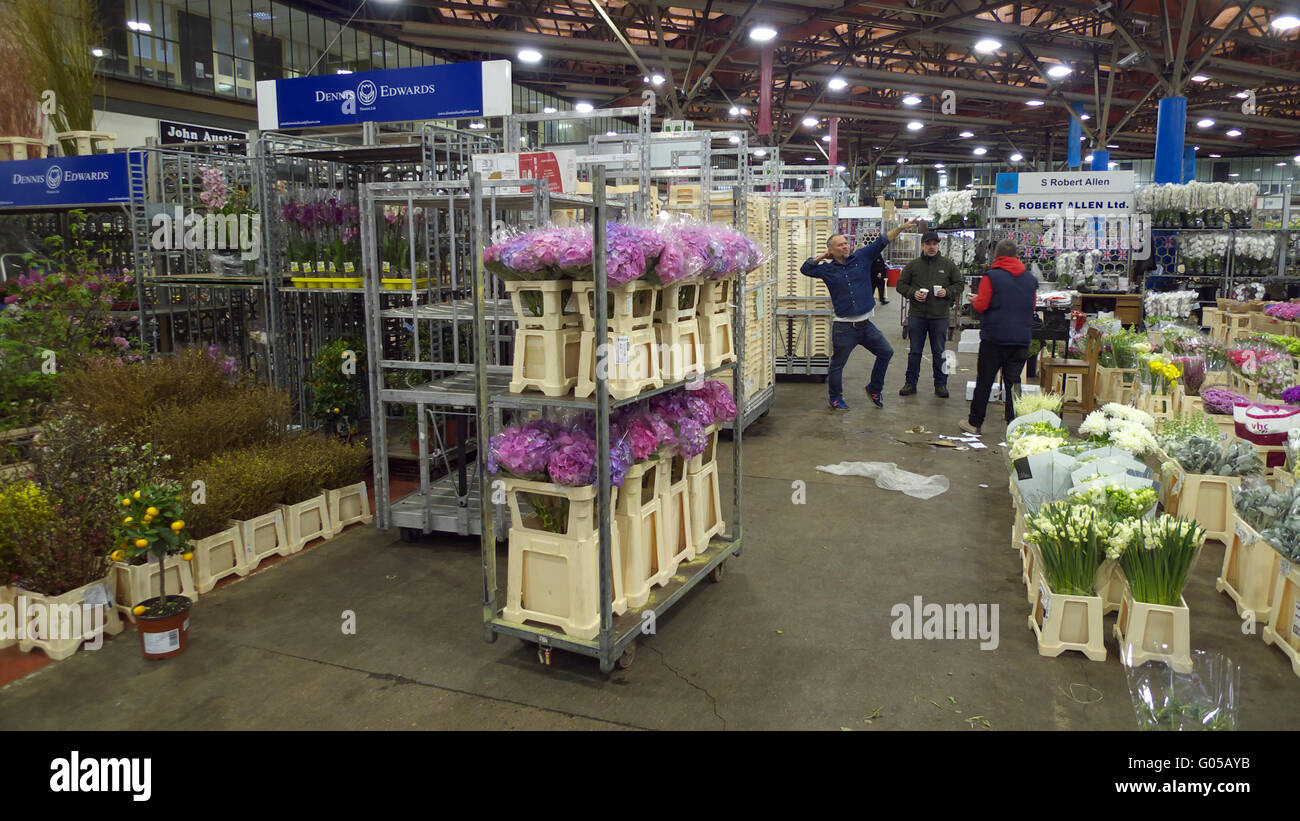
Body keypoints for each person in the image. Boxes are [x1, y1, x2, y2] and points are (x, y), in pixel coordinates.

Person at [802, 220, 919, 410]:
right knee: (837, 364)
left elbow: (882, 241)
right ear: (832, 250)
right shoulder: (827, 269)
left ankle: (874, 387)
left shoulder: (862, 257)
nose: (845, 246)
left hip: (866, 326)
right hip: (844, 328)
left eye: (845, 243)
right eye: (840, 245)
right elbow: (805, 268)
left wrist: (900, 228)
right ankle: (835, 398)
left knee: (886, 352)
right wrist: (823, 255)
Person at [960, 238, 1039, 436]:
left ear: (996, 255)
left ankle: (974, 423)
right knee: (1014, 384)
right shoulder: (1030, 279)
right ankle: (1014, 426)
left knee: (985, 382)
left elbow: (981, 305)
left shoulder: (991, 277)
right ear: (1016, 256)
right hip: (1021, 339)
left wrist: (975, 300)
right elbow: (1033, 306)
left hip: (994, 339)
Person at [896, 230, 963, 398]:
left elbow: (960, 284)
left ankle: (941, 385)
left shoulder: (948, 265)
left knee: (940, 351)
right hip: (917, 316)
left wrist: (947, 292)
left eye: (935, 244)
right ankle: (910, 383)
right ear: (923, 245)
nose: (932, 247)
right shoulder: (913, 265)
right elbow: (900, 285)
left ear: (938, 245)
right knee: (915, 351)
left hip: (939, 316)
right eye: (928, 244)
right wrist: (913, 293)